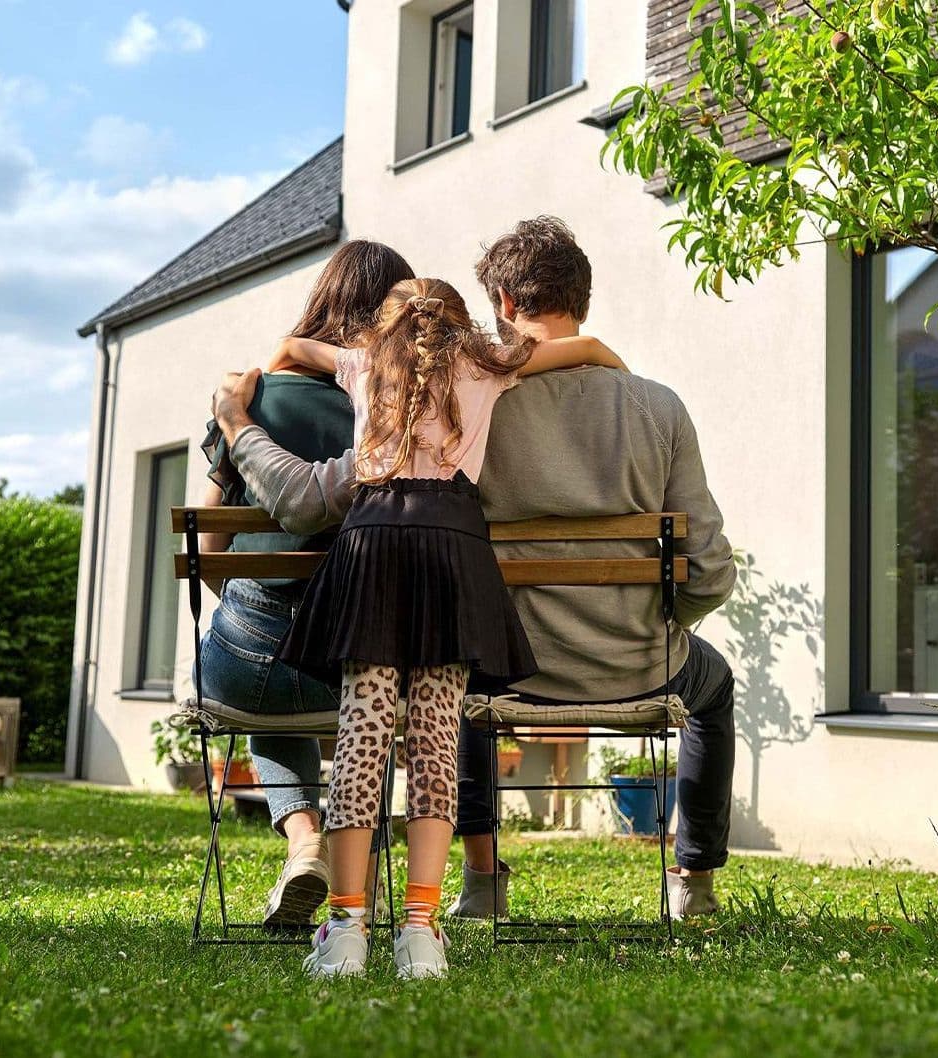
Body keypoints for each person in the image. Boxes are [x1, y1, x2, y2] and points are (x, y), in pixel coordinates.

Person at [211, 217, 739, 925]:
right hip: (641, 660)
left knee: (451, 670)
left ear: (505, 304)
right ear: (582, 297)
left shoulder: (469, 400)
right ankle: (693, 882)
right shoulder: (659, 407)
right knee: (714, 686)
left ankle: (482, 880)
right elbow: (708, 570)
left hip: (505, 665)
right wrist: (664, 626)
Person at [265, 276, 628, 979]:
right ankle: (421, 931)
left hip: (371, 545)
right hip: (451, 548)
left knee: (363, 735)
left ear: (387, 327)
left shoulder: (363, 363)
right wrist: (614, 369)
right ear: (458, 325)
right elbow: (591, 349)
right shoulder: (488, 362)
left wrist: (277, 373)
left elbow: (289, 349)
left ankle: (347, 930)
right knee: (435, 742)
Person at [191, 239, 413, 930]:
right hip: (352, 670)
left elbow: (208, 550)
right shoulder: (399, 413)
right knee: (370, 673)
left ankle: (305, 841)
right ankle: (356, 869)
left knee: (264, 676)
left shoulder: (252, 398)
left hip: (242, 669)